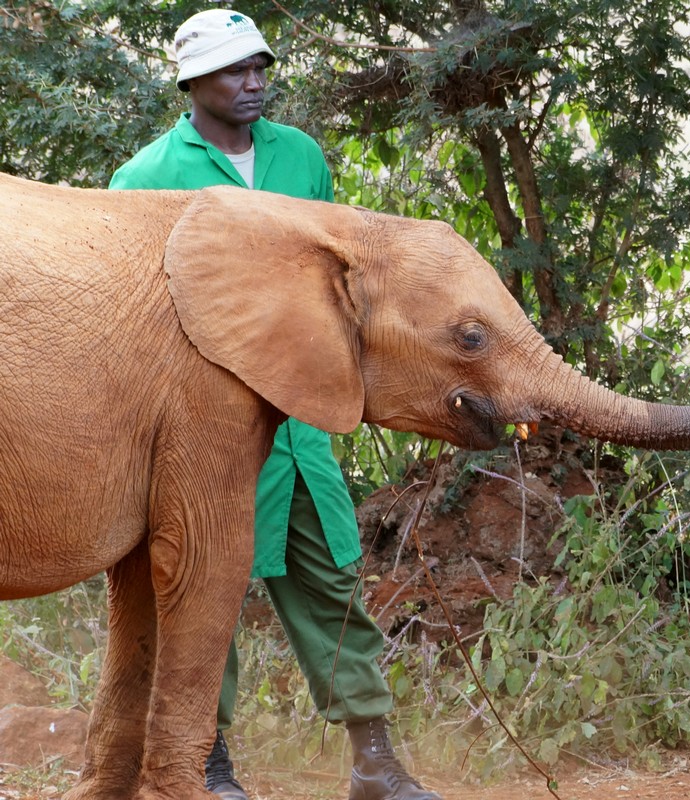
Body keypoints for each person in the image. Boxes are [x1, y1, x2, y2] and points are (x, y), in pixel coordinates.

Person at [109, 10, 442, 800]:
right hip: (197, 439)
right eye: (232, 70)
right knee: (196, 594)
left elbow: (340, 282)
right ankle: (208, 771)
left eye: (258, 65)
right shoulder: (143, 179)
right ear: (191, 82)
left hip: (296, 428)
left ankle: (375, 763)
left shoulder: (301, 158)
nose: (252, 82)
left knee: (331, 586)